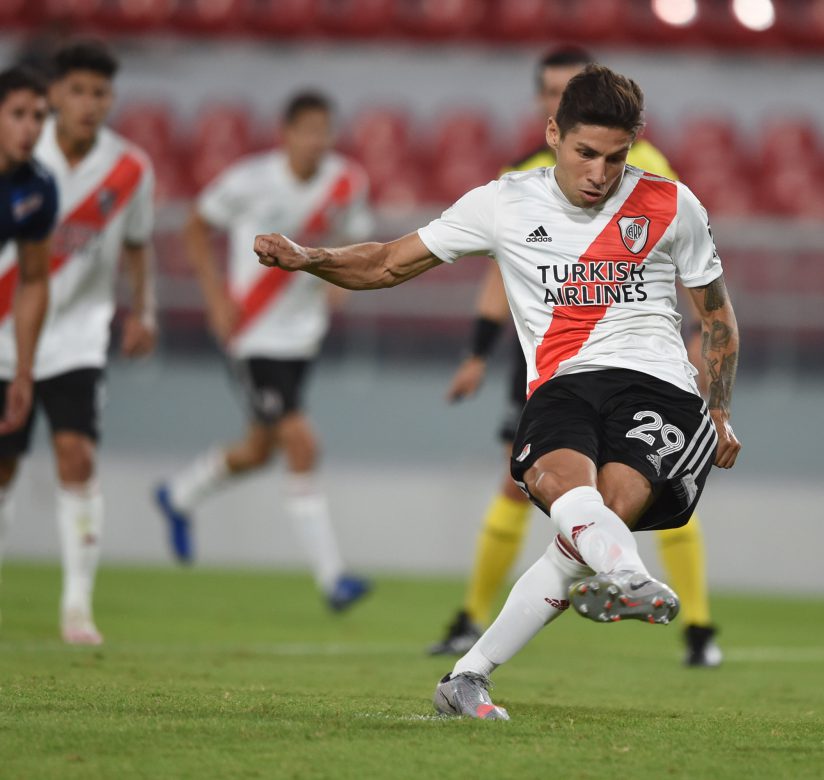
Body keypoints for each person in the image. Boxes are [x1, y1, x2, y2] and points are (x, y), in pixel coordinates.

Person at [253, 65, 741, 719]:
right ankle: (519, 644)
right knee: (566, 498)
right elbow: (390, 262)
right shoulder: (503, 203)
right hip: (563, 386)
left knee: (607, 510)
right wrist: (312, 258)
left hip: (656, 386)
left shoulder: (673, 205)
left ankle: (592, 593)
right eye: (586, 153)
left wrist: (720, 410)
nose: (600, 173)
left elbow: (717, 317)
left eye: (616, 158)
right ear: (553, 134)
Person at [430, 45, 724, 668]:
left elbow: (673, 261)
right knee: (535, 488)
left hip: (639, 359)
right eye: (548, 92)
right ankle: (473, 624)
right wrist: (478, 350)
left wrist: (698, 353)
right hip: (550, 352)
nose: (600, 168)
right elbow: (498, 266)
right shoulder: (518, 181)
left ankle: (696, 623)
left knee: (635, 482)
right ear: (550, 118)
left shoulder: (645, 171)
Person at [154, 92, 375, 612]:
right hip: (252, 334)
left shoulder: (347, 182)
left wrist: (339, 288)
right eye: (308, 130)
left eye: (325, 130)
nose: (318, 141)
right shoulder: (249, 180)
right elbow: (194, 225)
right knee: (301, 442)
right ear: (287, 133)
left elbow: (355, 241)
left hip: (303, 337)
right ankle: (333, 580)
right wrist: (214, 298)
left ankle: (178, 495)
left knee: (259, 450)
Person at [0, 64, 66, 638]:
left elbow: (35, 279)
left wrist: (24, 370)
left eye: (39, 117)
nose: (30, 128)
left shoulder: (37, 188)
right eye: (18, 114)